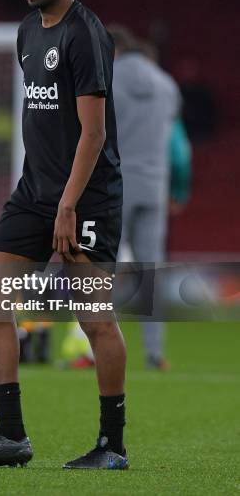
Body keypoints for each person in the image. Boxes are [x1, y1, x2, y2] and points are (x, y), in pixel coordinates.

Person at [0, 0, 127, 471]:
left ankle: (111, 446)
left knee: (93, 318)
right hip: (33, 193)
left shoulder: (86, 34)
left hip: (87, 197)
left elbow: (92, 134)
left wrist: (69, 206)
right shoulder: (27, 30)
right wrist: (47, 199)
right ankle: (10, 436)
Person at [109, 26, 184, 369]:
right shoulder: (167, 85)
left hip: (114, 184)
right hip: (155, 185)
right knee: (151, 271)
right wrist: (177, 187)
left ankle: (91, 348)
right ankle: (155, 353)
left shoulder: (106, 78)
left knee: (98, 268)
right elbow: (179, 148)